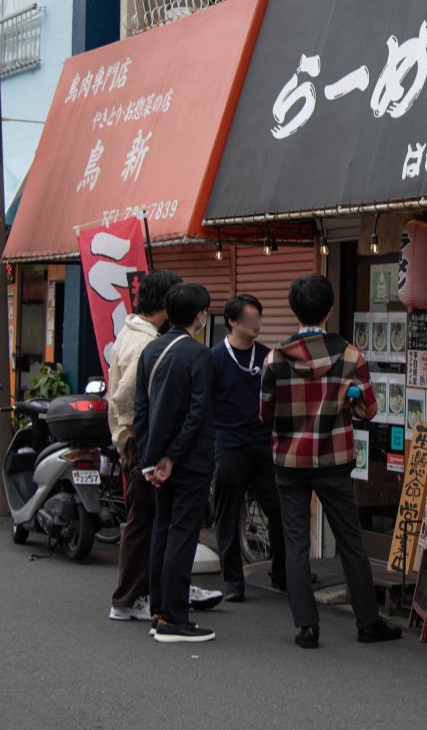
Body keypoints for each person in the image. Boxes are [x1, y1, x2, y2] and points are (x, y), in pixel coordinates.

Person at [259, 273, 403, 649]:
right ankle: (368, 622)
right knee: (351, 540)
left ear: (294, 310)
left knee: (296, 542)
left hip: (289, 460)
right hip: (334, 458)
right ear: (330, 310)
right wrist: (349, 397)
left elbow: (265, 413)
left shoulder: (275, 358)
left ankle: (307, 626)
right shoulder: (351, 355)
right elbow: (369, 410)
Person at [107, 269, 219, 623]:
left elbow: (140, 405)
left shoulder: (143, 338)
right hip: (159, 449)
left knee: (158, 526)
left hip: (147, 446)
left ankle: (162, 600)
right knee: (157, 526)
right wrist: (154, 451)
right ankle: (145, 602)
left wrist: (147, 450)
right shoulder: (156, 344)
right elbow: (130, 399)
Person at [135, 282, 219, 644]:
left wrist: (150, 460)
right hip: (190, 460)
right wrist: (173, 456)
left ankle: (159, 611)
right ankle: (173, 619)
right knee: (182, 535)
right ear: (199, 315)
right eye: (205, 311)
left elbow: (141, 409)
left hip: (157, 460)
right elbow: (198, 413)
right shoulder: (199, 355)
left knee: (163, 531)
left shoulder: (150, 350)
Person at [209, 294, 285, 601]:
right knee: (227, 513)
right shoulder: (215, 358)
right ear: (232, 321)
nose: (256, 324)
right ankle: (233, 581)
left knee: (278, 508)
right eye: (250, 319)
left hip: (264, 443)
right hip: (229, 444)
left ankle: (281, 572)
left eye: (259, 318)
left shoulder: (267, 356)